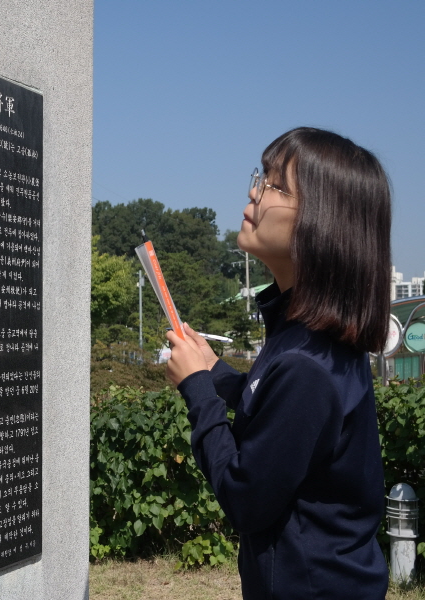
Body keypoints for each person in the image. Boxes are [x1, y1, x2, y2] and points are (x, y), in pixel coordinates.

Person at [166, 127, 390, 599]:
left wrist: (198, 390)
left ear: (321, 221)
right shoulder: (304, 336)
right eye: (261, 176)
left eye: (276, 185)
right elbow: (270, 402)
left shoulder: (308, 363)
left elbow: (245, 497)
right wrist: (215, 373)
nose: (254, 190)